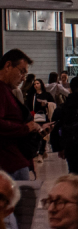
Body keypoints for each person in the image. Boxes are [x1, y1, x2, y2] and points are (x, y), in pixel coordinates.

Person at [0, 50, 40, 181]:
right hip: (9, 165)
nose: (23, 78)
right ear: (8, 66)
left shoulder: (8, 91)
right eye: (21, 71)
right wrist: (25, 128)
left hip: (15, 161)